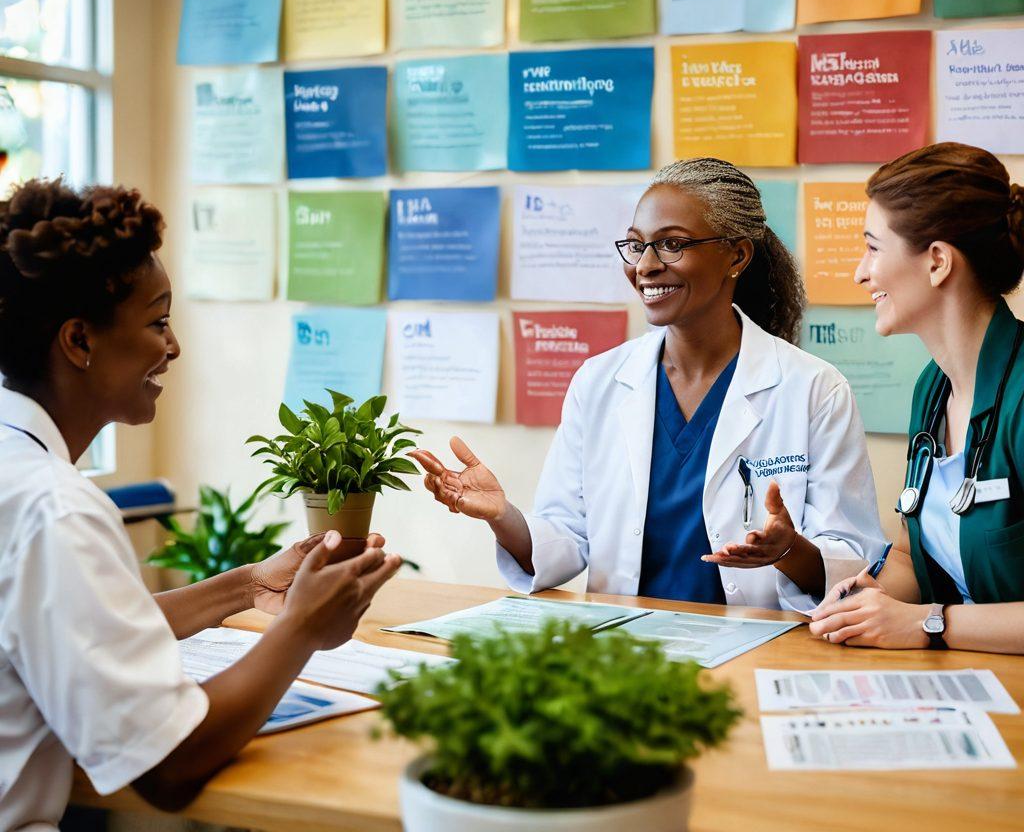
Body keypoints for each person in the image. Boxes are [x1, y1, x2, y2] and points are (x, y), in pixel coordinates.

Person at [0, 178, 402, 830]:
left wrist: (249, 586)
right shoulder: (56, 510)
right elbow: (168, 766)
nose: (173, 346)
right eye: (158, 321)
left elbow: (86, 627)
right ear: (79, 342)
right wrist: (301, 628)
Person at [412, 158, 885, 612]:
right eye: (637, 245)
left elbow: (851, 557)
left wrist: (789, 550)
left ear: (736, 255)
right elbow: (565, 537)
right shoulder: (598, 383)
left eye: (672, 244)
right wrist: (503, 516)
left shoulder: (815, 390)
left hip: (757, 647)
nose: (645, 265)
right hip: (625, 651)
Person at [811, 143, 1024, 653]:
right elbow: (909, 555)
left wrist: (929, 623)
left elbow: (929, 617)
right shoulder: (933, 388)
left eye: (873, 249)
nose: (860, 273)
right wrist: (869, 593)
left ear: (936, 263)